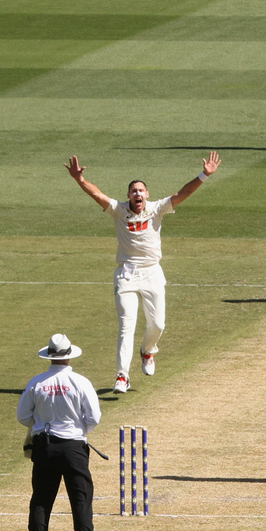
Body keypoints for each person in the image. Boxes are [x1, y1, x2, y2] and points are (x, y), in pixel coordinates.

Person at [65, 151, 221, 393]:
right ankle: (122, 376)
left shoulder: (157, 208)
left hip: (152, 273)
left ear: (147, 194)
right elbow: (96, 194)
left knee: (157, 324)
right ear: (128, 195)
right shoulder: (118, 209)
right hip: (126, 274)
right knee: (126, 325)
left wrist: (204, 175)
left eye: (141, 190)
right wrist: (79, 179)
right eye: (133, 191)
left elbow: (184, 193)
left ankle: (148, 351)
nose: (138, 193)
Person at [17, 334, 101, 531]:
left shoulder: (37, 382)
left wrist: (41, 424)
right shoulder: (80, 382)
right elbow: (94, 418)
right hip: (73, 446)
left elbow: (23, 416)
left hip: (44, 446)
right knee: (81, 499)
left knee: (41, 500)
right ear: (69, 355)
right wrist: (78, 430)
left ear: (50, 356)